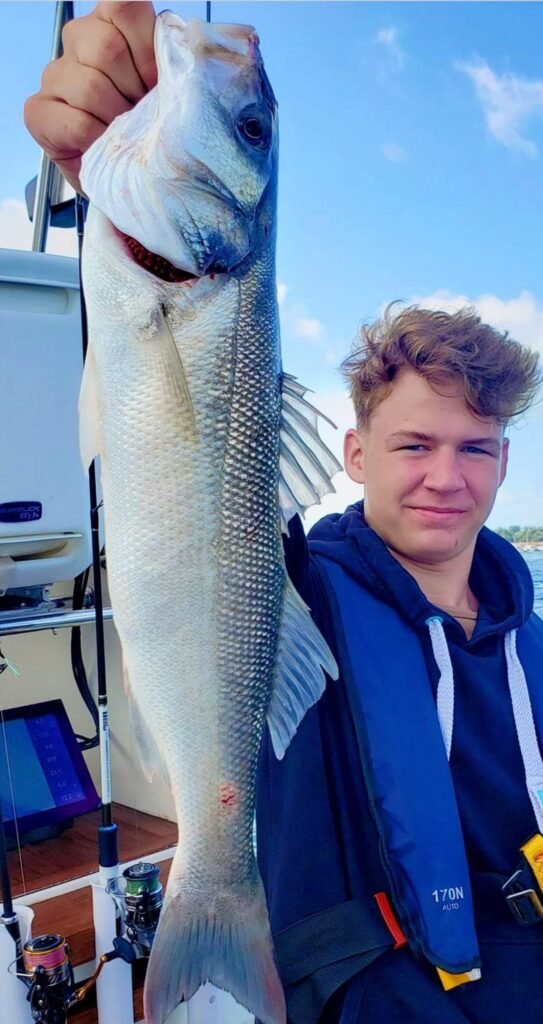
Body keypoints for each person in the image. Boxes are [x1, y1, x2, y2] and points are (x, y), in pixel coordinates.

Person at [24, 4, 543, 1023]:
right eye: (412, 443)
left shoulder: (529, 635)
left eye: (474, 448)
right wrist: (110, 123)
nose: (446, 475)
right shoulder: (296, 586)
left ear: (506, 464)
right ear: (350, 453)